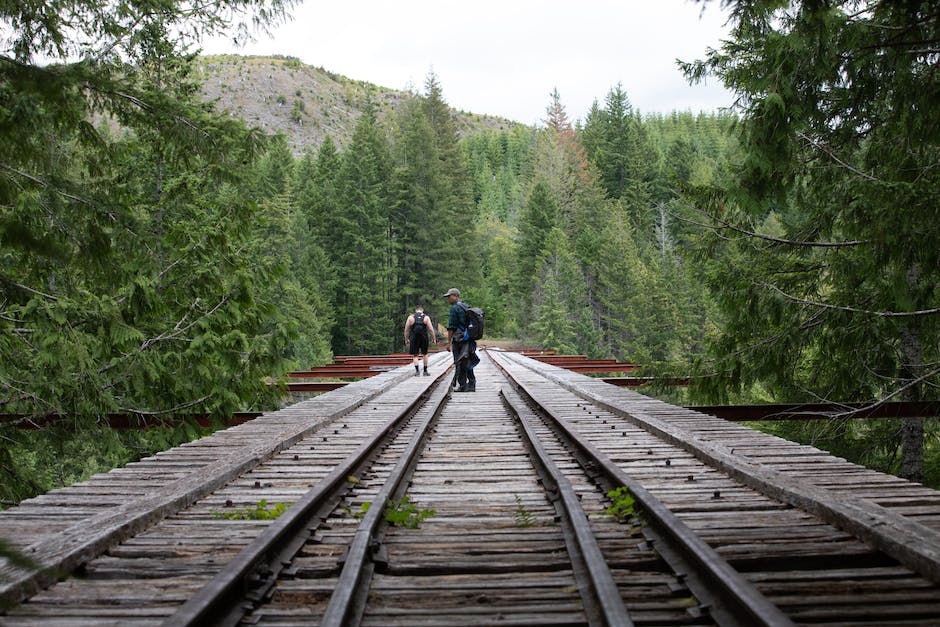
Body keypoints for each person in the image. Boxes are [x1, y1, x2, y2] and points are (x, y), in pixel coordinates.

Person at [443, 288, 479, 392]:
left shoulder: (455, 308)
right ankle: (472, 384)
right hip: (468, 338)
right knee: (467, 360)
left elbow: (451, 327)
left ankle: (463, 385)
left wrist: (448, 343)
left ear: (455, 296)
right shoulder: (465, 306)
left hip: (459, 339)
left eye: (449, 297)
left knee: (459, 362)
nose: (448, 299)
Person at [403, 306, 436, 376]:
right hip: (424, 337)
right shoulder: (426, 317)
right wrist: (434, 338)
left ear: (416, 310)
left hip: (414, 337)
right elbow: (431, 329)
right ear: (422, 311)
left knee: (415, 355)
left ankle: (417, 371)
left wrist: (406, 339)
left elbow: (406, 330)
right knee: (425, 354)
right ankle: (425, 371)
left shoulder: (411, 317)